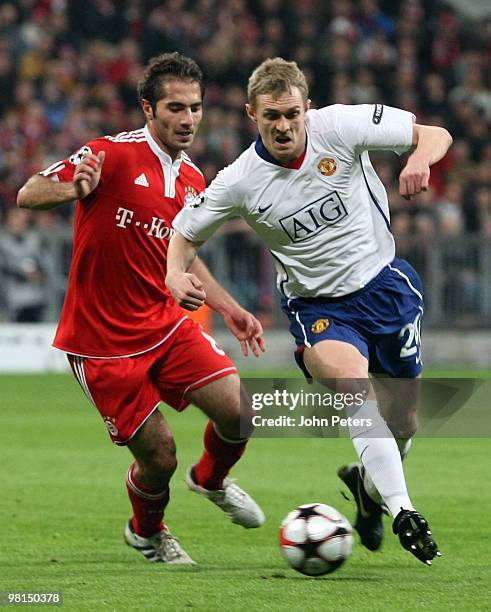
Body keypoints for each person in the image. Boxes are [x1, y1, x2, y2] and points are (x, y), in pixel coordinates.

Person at [166, 57, 453, 565]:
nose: (283, 126)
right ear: (252, 113)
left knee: (404, 421)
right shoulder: (240, 180)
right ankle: (404, 508)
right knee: (352, 386)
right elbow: (184, 232)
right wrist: (174, 273)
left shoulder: (340, 126)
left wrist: (418, 160)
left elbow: (434, 133)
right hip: (319, 308)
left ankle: (367, 489)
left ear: (308, 110)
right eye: (271, 116)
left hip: (386, 287)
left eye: (292, 115)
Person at [16, 52, 266, 565]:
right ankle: (147, 531)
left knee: (241, 411)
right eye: (176, 107)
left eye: (195, 108)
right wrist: (73, 188)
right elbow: (28, 192)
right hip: (101, 343)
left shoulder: (195, 180)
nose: (188, 119)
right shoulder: (110, 153)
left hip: (164, 324)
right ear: (148, 109)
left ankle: (212, 479)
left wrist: (230, 307)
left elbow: (185, 257)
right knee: (159, 458)